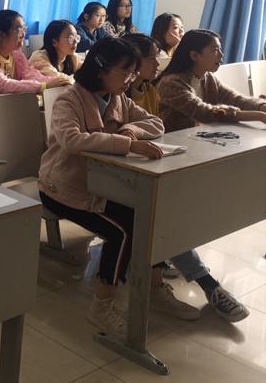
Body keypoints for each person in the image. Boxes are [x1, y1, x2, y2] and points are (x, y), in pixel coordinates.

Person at [39, 37, 198, 337]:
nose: (130, 79)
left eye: (133, 72)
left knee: (150, 216)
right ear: (101, 68)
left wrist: (129, 129)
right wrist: (128, 145)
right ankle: (101, 305)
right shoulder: (69, 100)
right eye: (125, 72)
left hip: (103, 186)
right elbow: (72, 140)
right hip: (62, 188)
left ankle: (153, 288)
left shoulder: (118, 99)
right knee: (122, 231)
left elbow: (156, 124)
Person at [123, 32, 250, 323]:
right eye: (151, 58)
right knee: (163, 217)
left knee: (175, 213)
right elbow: (128, 133)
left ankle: (164, 259)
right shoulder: (147, 88)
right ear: (131, 62)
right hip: (131, 173)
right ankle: (207, 285)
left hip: (161, 164)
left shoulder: (149, 89)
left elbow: (153, 126)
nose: (158, 62)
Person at [158, 29, 266, 132]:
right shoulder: (170, 83)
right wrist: (258, 116)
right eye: (215, 50)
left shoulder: (208, 78)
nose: (221, 55)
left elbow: (236, 99)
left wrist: (261, 106)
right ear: (194, 55)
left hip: (195, 136)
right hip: (171, 140)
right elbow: (203, 112)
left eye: (220, 49)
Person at [0, 9, 70, 98]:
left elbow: (32, 75)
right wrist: (43, 86)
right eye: (19, 30)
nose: (23, 34)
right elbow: (3, 84)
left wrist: (57, 82)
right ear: (2, 35)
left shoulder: (16, 54)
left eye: (24, 29)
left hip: (8, 105)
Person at [121, 33, 163, 115]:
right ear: (133, 60)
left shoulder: (150, 91)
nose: (157, 63)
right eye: (151, 58)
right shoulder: (118, 94)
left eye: (157, 57)